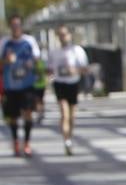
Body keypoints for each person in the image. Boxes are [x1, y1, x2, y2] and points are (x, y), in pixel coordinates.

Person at [1, 15, 43, 157]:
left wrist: (32, 62)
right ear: (10, 27)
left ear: (21, 26)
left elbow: (37, 58)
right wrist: (6, 60)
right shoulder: (5, 43)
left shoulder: (29, 41)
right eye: (13, 26)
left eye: (18, 25)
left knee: (28, 113)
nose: (16, 28)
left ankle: (26, 143)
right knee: (12, 116)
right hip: (10, 86)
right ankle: (15, 141)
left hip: (27, 85)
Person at [44, 26, 89, 155]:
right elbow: (49, 71)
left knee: (72, 116)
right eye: (60, 35)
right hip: (59, 84)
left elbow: (85, 69)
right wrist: (51, 77)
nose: (62, 37)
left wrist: (75, 70)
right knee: (64, 113)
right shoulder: (54, 52)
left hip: (73, 83)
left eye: (64, 34)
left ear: (69, 35)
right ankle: (66, 141)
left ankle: (69, 136)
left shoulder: (77, 50)